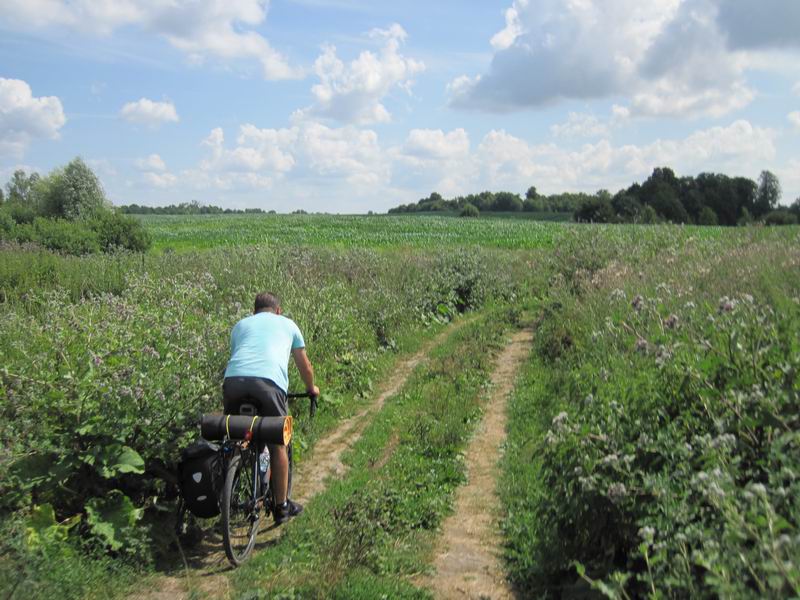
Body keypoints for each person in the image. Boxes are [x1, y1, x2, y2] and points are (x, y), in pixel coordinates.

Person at [222, 292, 319, 525]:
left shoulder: (240, 326)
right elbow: (304, 365)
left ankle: (229, 492)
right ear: (278, 310)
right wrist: (311, 388)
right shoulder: (288, 324)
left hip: (233, 383)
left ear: (253, 311)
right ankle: (281, 506)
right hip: (268, 385)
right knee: (278, 445)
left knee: (236, 437)